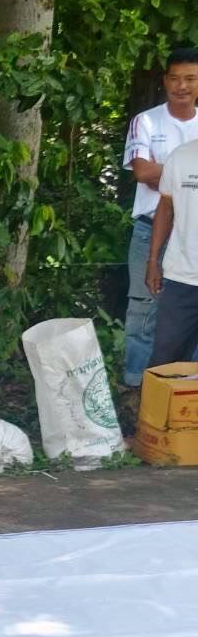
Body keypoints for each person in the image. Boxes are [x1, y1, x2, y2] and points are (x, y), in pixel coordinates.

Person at [121, 47, 198, 393]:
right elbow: (142, 172)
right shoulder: (147, 121)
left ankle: (184, 389)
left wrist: (167, 173)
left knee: (186, 317)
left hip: (193, 233)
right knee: (144, 305)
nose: (182, 86)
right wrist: (184, 173)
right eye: (175, 78)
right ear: (165, 81)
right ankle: (138, 383)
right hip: (150, 227)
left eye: (190, 79)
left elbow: (157, 173)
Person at [145, 136, 198, 369]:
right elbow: (165, 209)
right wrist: (153, 260)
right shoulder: (180, 156)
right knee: (165, 363)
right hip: (182, 278)